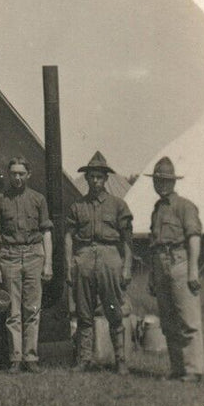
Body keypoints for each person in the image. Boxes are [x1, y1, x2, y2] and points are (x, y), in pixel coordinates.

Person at [65, 151, 133, 373]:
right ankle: (84, 359)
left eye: (99, 177)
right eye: (92, 177)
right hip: (84, 258)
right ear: (86, 178)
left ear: (106, 179)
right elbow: (68, 237)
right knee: (84, 312)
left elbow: (127, 240)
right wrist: (69, 264)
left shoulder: (118, 205)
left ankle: (120, 360)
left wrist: (127, 267)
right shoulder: (77, 206)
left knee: (114, 310)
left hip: (109, 257)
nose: (95, 181)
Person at [0, 157, 53, 373]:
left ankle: (31, 357)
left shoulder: (38, 199)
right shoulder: (0, 200)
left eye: (21, 174)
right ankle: (15, 357)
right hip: (9, 256)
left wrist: (48, 263)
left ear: (28, 175)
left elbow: (46, 232)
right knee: (13, 310)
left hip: (34, 255)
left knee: (32, 308)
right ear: (8, 175)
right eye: (13, 174)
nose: (17, 178)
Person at [144, 157, 204, 382]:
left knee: (188, 319)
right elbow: (153, 244)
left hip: (180, 261)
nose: (161, 184)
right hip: (160, 263)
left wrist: (193, 270)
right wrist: (152, 275)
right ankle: (178, 369)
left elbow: (194, 237)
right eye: (157, 180)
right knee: (168, 321)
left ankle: (194, 370)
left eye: (165, 180)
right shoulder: (157, 209)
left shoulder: (185, 206)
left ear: (173, 181)